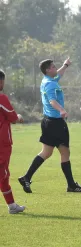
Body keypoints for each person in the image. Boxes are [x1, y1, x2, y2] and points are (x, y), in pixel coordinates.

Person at [18, 57, 81, 193]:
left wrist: (65, 65)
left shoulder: (47, 80)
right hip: (56, 123)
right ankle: (71, 185)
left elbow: (59, 74)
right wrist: (61, 110)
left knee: (46, 152)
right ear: (48, 70)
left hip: (47, 122)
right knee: (65, 152)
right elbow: (51, 101)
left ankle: (26, 177)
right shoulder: (50, 84)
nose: (56, 68)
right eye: (54, 67)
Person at [0, 69, 26, 214]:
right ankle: (12, 206)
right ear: (1, 81)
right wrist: (20, 116)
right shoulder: (2, 98)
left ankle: (12, 205)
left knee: (4, 175)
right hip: (2, 144)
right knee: (2, 174)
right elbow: (14, 118)